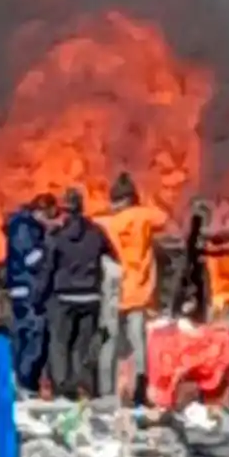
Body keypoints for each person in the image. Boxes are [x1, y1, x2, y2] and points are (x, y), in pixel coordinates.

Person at [96, 172, 171, 405]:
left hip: (112, 293)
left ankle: (105, 392)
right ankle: (141, 388)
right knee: (139, 344)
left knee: (109, 342)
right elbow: (164, 218)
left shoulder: (106, 222)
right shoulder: (143, 217)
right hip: (138, 292)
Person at [38, 188, 117, 399]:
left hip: (64, 297)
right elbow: (113, 256)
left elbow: (48, 268)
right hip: (91, 296)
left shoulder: (57, 236)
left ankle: (63, 386)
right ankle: (83, 386)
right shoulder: (97, 232)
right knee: (83, 344)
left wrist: (39, 296)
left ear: (65, 210)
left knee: (60, 343)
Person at [4, 193, 60, 395]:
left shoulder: (28, 226)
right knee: (31, 336)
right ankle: (24, 383)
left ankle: (25, 382)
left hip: (28, 289)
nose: (51, 220)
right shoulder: (23, 229)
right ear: (41, 211)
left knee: (31, 337)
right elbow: (30, 260)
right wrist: (47, 244)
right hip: (24, 290)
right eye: (50, 215)